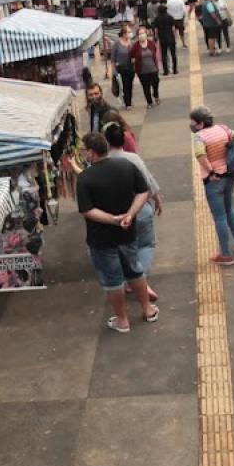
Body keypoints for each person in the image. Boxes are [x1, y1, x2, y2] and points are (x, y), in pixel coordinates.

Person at [76, 131, 159, 333]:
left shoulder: (85, 178)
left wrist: (113, 219)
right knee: (135, 271)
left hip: (101, 239)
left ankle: (122, 320)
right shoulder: (126, 166)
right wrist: (129, 215)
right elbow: (143, 191)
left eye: (84, 151)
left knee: (113, 280)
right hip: (127, 232)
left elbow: (87, 210)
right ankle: (148, 309)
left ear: (92, 153)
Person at [104, 120, 162, 295]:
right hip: (141, 209)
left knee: (126, 248)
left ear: (106, 141)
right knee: (146, 244)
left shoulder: (102, 164)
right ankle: (140, 280)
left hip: (117, 214)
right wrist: (157, 198)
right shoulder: (133, 158)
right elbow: (147, 181)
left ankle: (131, 280)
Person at [190, 105, 234, 265]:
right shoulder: (223, 129)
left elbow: (200, 154)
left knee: (220, 216)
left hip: (214, 180)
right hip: (229, 175)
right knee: (229, 209)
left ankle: (225, 254)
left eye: (193, 122)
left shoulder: (199, 137)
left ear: (200, 123)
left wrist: (210, 172)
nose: (192, 125)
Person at [130, 24, 163, 107]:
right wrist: (134, 60)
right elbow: (131, 55)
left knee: (155, 83)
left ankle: (156, 95)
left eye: (143, 33)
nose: (142, 35)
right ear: (137, 36)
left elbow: (155, 52)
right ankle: (149, 102)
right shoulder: (135, 46)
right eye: (140, 34)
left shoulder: (151, 43)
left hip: (153, 68)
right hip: (142, 71)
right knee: (146, 86)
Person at [110, 23, 137, 108]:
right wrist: (113, 70)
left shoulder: (131, 43)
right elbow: (113, 58)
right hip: (121, 68)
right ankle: (127, 103)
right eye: (129, 32)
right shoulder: (117, 43)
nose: (130, 33)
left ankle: (129, 99)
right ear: (124, 33)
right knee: (124, 85)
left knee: (130, 84)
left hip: (131, 67)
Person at [152, 0, 179, 75]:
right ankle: (175, 70)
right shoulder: (170, 17)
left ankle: (166, 71)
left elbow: (156, 30)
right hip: (171, 37)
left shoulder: (157, 19)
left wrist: (156, 37)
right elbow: (173, 29)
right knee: (173, 54)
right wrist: (175, 37)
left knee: (164, 55)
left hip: (162, 39)